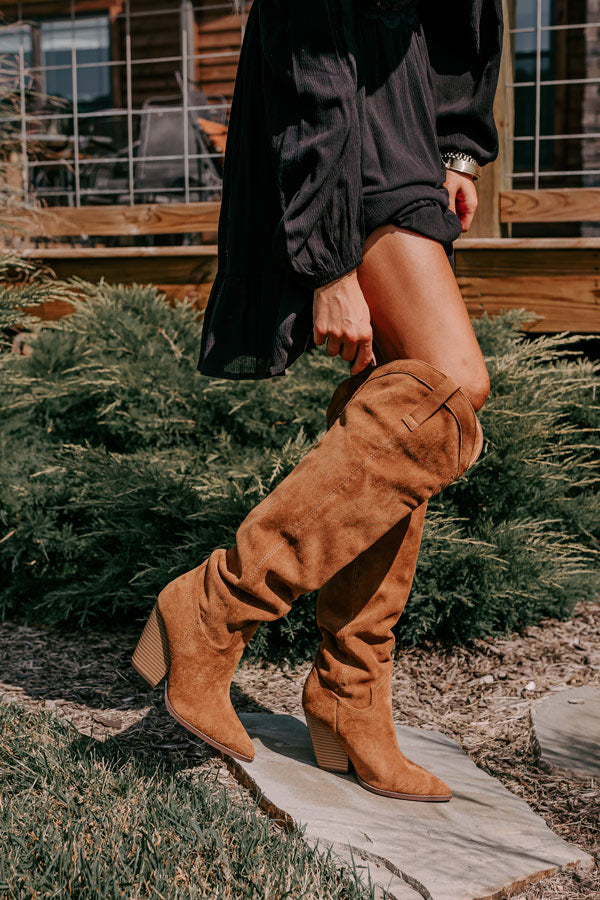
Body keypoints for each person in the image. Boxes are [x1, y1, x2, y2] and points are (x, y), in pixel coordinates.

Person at [132, 0, 503, 802]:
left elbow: (467, 20)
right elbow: (309, 39)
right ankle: (215, 608)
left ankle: (351, 691)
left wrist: (459, 147)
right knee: (450, 385)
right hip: (343, 125)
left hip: (405, 121)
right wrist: (329, 261)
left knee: (406, 393)